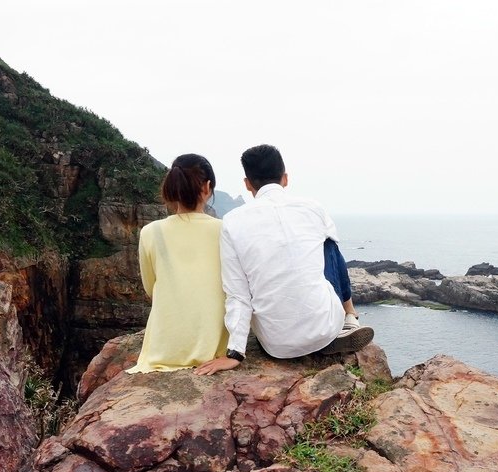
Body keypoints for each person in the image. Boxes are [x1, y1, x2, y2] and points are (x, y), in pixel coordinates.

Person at [194, 144, 372, 376]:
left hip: (276, 345)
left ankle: (330, 326)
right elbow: (332, 260)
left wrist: (235, 353)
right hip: (326, 328)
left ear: (248, 184)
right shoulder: (313, 208)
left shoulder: (232, 222)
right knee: (329, 243)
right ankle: (349, 317)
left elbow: (237, 293)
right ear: (285, 178)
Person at [126, 154, 228, 373]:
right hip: (213, 346)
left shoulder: (151, 232)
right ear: (207, 187)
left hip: (165, 348)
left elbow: (149, 287)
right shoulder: (224, 230)